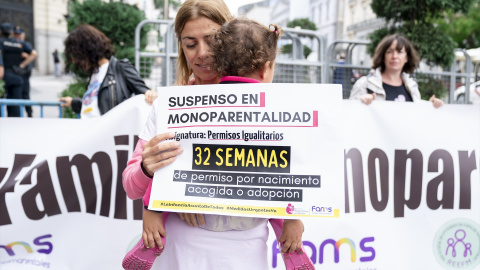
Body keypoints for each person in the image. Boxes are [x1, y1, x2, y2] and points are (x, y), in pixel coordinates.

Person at [121, 2, 313, 270]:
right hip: (179, 250)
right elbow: (131, 186)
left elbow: (283, 171)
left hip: (245, 250)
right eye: (190, 44)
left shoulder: (269, 105)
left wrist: (293, 215)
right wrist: (147, 169)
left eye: (211, 41)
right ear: (180, 47)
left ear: (229, 40)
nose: (202, 53)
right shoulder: (170, 107)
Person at [59, 25, 157, 118]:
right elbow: (97, 108)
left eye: (76, 55)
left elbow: (145, 94)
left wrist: (150, 94)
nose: (74, 60)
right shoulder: (94, 74)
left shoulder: (121, 68)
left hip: (109, 134)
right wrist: (75, 103)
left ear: (87, 50)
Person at [349, 34, 444, 108]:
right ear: (383, 56)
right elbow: (350, 115)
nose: (394, 56)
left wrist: (431, 106)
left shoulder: (412, 86)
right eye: (390, 52)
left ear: (406, 58)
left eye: (400, 52)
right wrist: (360, 103)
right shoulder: (364, 84)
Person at [0, 23, 37, 117]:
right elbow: (34, 53)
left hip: (4, 77)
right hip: (17, 77)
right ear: (11, 33)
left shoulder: (1, 42)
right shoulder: (20, 43)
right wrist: (22, 65)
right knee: (16, 104)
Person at [14, 25, 36, 117]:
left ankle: (29, 113)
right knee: (17, 94)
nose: (18, 36)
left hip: (23, 73)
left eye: (19, 34)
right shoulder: (13, 43)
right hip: (15, 73)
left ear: (23, 35)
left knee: (25, 94)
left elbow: (33, 54)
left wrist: (22, 65)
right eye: (16, 34)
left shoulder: (25, 44)